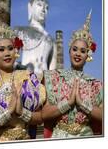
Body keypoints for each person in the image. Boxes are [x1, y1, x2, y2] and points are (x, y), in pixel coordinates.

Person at [42, 9, 103, 138]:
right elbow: (44, 114)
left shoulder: (96, 84)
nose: (78, 54)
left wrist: (82, 103)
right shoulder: (54, 78)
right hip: (59, 137)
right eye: (74, 49)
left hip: (86, 137)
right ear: (69, 51)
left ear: (88, 55)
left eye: (82, 51)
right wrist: (68, 103)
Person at [0, 20, 46, 142]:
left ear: (15, 52)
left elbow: (41, 117)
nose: (7, 53)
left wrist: (22, 112)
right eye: (1, 50)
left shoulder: (29, 78)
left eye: (10, 48)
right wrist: (7, 113)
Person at [14, 0, 57, 81]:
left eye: (46, 8)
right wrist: (20, 67)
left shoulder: (51, 40)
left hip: (44, 83)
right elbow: (10, 60)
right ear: (30, 7)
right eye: (39, 5)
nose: (43, 10)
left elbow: (53, 71)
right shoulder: (20, 31)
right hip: (24, 79)